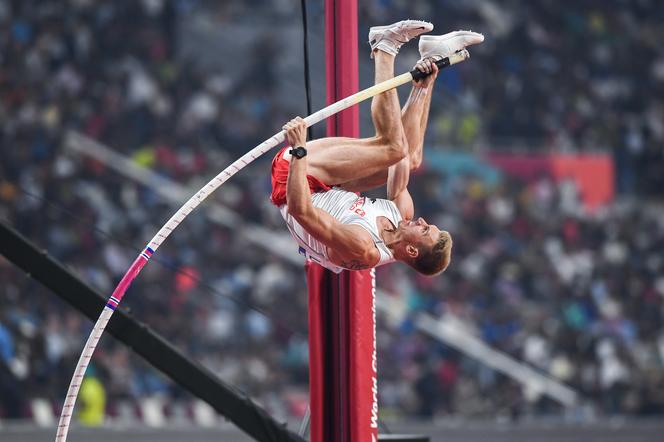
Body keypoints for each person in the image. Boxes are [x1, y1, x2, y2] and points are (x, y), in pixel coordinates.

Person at [271, 20, 484, 275]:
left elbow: (300, 210)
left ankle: (385, 47)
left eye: (425, 229)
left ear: (413, 251)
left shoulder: (363, 247)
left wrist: (299, 151)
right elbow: (406, 158)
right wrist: (423, 88)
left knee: (392, 148)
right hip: (328, 185)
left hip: (295, 181)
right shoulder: (401, 215)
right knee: (409, 159)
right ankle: (433, 54)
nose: (423, 222)